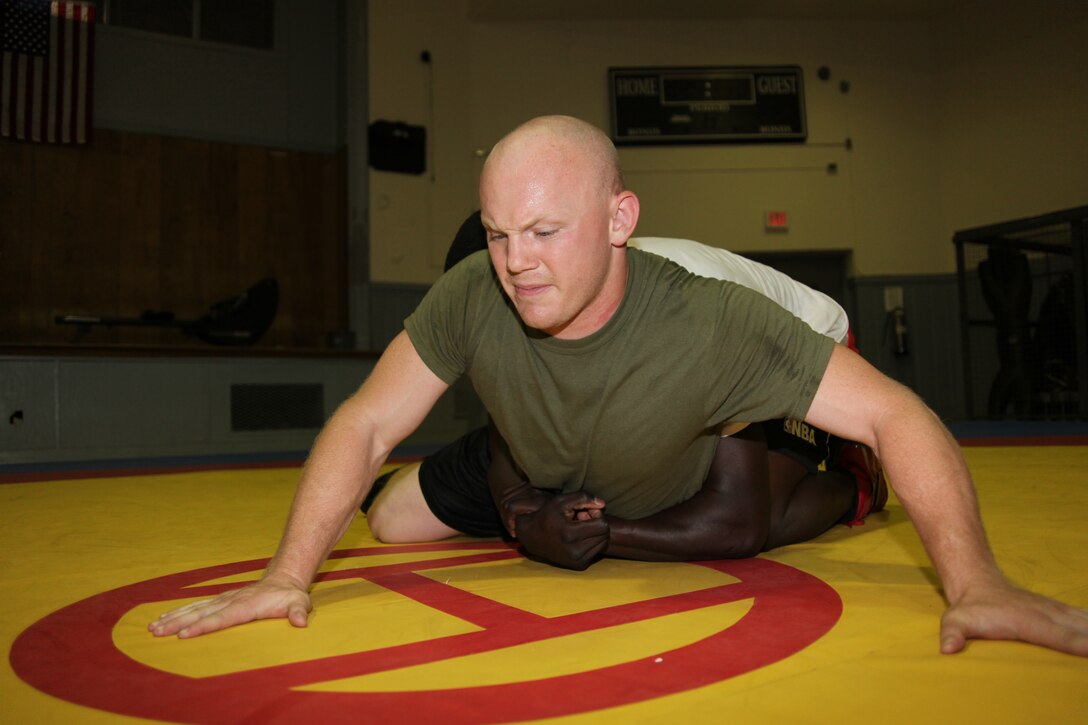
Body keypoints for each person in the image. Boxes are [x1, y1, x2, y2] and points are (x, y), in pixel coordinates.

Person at [149, 115, 1088, 657]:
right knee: (394, 514)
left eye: (546, 232)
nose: (516, 263)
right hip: (557, 425)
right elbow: (362, 422)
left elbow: (893, 409)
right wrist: (284, 574)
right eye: (497, 233)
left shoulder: (711, 319)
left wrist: (976, 582)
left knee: (754, 510)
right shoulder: (479, 293)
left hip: (713, 416)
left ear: (618, 219)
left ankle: (836, 482)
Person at [364, 222, 879, 569]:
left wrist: (587, 533)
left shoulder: (692, 318)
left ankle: (856, 484)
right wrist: (519, 511)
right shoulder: (504, 312)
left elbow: (738, 524)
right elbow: (507, 401)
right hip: (617, 381)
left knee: (764, 516)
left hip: (806, 344)